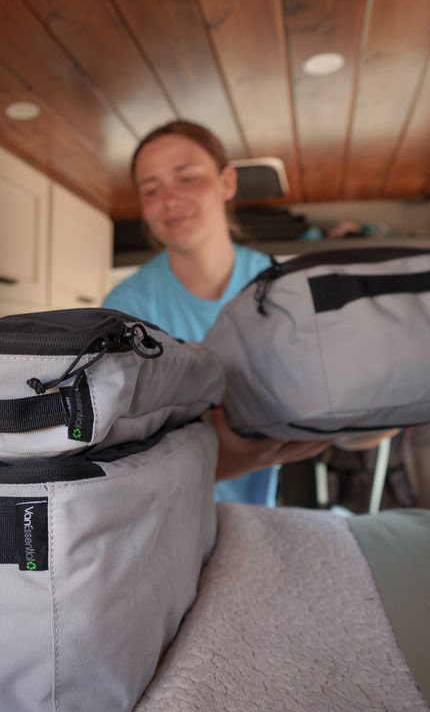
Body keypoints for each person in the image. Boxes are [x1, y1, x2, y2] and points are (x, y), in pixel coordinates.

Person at [103, 120, 334, 505]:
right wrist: (237, 459)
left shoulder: (278, 286)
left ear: (227, 182)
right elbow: (121, 461)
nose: (169, 199)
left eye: (186, 178)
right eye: (151, 189)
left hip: (255, 512)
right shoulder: (125, 310)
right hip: (161, 515)